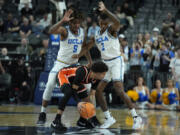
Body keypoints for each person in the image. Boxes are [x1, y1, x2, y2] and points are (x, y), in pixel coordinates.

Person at [72, 1, 142, 129]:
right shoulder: (97, 34)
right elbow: (87, 47)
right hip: (106, 64)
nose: (101, 24)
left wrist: (105, 10)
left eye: (103, 22)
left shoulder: (111, 30)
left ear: (107, 23)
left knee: (119, 89)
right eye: (99, 22)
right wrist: (77, 55)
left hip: (116, 61)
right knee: (98, 91)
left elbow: (118, 22)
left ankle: (136, 117)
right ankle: (109, 117)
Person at [37, 8, 92, 125]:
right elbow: (51, 31)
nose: (77, 25)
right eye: (74, 23)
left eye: (78, 23)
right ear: (70, 22)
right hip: (61, 64)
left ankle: (84, 118)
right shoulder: (64, 31)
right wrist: (62, 20)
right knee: (50, 84)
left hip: (74, 66)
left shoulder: (82, 31)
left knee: (87, 87)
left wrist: (89, 61)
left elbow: (84, 47)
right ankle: (42, 113)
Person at [51, 61, 108, 130]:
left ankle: (82, 121)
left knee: (87, 99)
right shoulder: (83, 71)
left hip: (75, 81)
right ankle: (56, 120)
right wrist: (78, 102)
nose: (104, 76)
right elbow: (74, 90)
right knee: (68, 92)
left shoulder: (97, 79)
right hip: (64, 75)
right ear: (97, 73)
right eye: (103, 74)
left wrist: (93, 116)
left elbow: (92, 95)